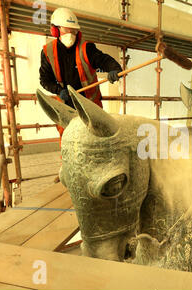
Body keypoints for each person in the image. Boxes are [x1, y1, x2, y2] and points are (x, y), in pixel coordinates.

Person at [39, 8, 123, 183]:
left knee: (95, 135)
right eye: (66, 29)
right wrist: (57, 90)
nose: (70, 33)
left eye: (74, 30)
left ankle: (98, 171)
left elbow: (104, 60)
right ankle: (69, 170)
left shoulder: (86, 48)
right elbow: (44, 80)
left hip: (89, 104)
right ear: (56, 30)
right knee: (67, 138)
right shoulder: (47, 52)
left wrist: (114, 69)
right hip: (66, 104)